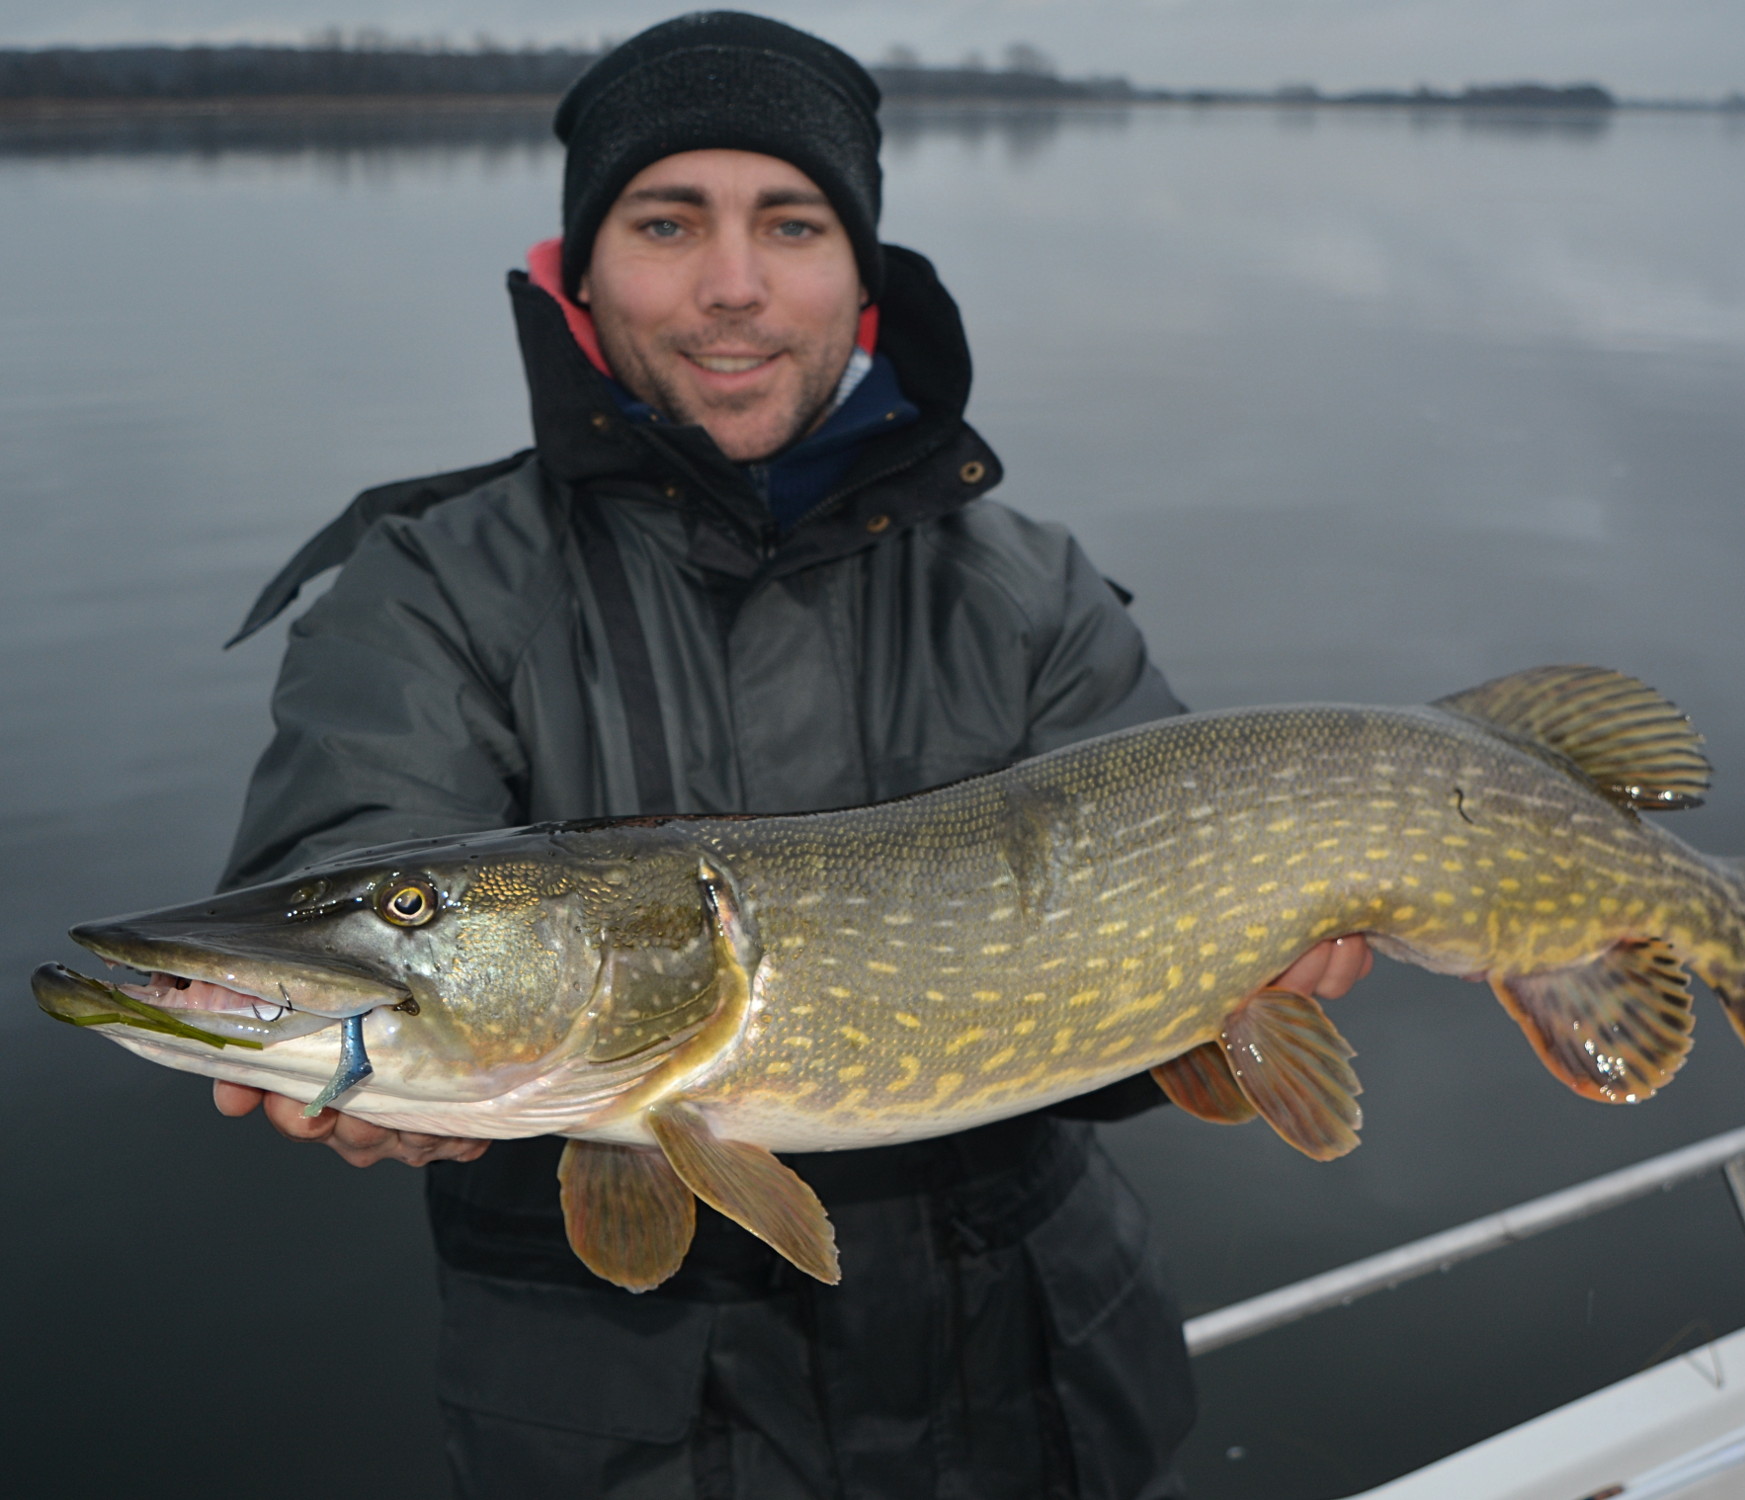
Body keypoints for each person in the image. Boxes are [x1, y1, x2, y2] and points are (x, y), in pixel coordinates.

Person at [212, 12, 1371, 1498]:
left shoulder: (1027, 585)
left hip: (1038, 1398)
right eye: (668, 221)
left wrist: (1232, 995)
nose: (734, 286)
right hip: (640, 1440)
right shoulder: (431, 587)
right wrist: (380, 1069)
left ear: (864, 277)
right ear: (578, 271)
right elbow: (352, 858)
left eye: (792, 222)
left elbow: (1133, 981)